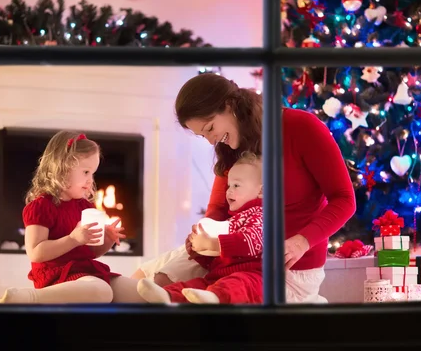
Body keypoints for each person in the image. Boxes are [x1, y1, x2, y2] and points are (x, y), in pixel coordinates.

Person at [131, 73, 356, 303]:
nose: (211, 141)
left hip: (286, 264)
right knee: (151, 283)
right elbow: (218, 209)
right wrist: (202, 236)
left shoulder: (302, 127)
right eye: (202, 136)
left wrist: (302, 241)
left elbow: (345, 199)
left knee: (224, 290)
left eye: (210, 128)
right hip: (234, 255)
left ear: (229, 106)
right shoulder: (232, 148)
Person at [0, 131, 147, 304]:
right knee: (102, 292)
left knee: (136, 292)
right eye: (85, 172)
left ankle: (167, 299)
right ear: (61, 168)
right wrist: (73, 239)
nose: (90, 180)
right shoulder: (41, 207)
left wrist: (107, 240)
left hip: (85, 271)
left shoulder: (84, 206)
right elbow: (35, 253)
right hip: (56, 275)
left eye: (93, 173)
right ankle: (29, 298)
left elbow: (91, 253)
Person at [137, 152, 264, 304]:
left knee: (236, 283)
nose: (228, 191)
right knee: (196, 285)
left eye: (236, 185)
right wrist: (198, 250)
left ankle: (214, 297)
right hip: (219, 276)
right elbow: (217, 258)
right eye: (228, 185)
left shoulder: (261, 215)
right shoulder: (232, 220)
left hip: (252, 275)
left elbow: (250, 242)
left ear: (261, 191)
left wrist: (211, 243)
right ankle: (168, 296)